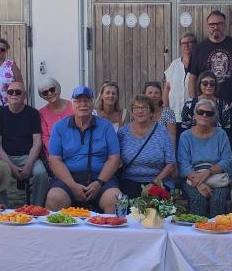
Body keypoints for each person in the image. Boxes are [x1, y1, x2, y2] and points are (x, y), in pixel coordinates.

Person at [45, 86, 122, 214]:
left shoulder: (106, 126)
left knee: (116, 198)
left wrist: (99, 182)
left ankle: (111, 234)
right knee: (54, 198)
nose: (83, 105)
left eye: (87, 101)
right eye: (78, 101)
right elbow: (55, 160)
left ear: (92, 104)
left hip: (100, 179)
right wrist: (72, 185)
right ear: (72, 105)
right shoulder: (59, 127)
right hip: (68, 179)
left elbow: (114, 158)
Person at [186, 10, 232, 138]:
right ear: (208, 27)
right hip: (205, 109)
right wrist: (195, 100)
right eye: (212, 24)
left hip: (231, 107)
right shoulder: (200, 48)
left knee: (229, 145)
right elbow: (192, 77)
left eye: (219, 24)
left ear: (225, 25)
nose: (215, 27)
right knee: (205, 140)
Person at [0, 82, 47, 206]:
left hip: (28, 156)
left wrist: (29, 164)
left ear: (24, 95)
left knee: (41, 173)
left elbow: (37, 142)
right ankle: (2, 209)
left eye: (18, 92)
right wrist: (10, 165)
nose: (14, 94)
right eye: (10, 92)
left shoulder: (33, 114)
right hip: (6, 157)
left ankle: (37, 209)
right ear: (7, 96)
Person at [178, 97, 232, 217]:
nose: (204, 115)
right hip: (192, 178)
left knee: (217, 201)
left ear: (214, 117)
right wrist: (200, 183)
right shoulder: (185, 136)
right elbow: (184, 165)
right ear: (194, 114)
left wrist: (208, 172)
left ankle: (217, 233)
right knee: (198, 200)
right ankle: (196, 235)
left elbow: (226, 160)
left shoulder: (221, 134)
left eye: (209, 113)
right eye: (201, 112)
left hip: (218, 177)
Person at [117, 95, 176, 198]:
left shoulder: (162, 132)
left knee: (153, 205)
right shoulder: (123, 132)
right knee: (129, 206)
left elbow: (170, 163)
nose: (140, 111)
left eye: (144, 107)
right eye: (136, 108)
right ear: (132, 112)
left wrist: (154, 183)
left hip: (158, 179)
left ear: (151, 112)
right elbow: (115, 158)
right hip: (130, 180)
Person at [162, 33, 196, 118]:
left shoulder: (199, 63)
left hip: (194, 113)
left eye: (190, 42)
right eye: (183, 43)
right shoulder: (175, 64)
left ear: (195, 44)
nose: (186, 45)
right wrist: (166, 110)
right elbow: (167, 88)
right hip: (175, 113)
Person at [36, 76, 73, 153]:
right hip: (54, 153)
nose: (49, 93)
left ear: (58, 88)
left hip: (75, 151)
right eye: (45, 92)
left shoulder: (73, 107)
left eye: (52, 90)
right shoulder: (42, 113)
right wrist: (56, 153)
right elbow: (45, 138)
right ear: (42, 96)